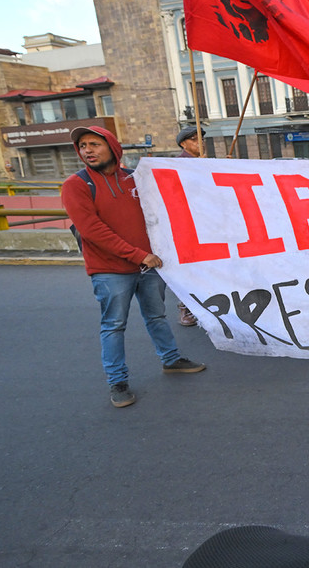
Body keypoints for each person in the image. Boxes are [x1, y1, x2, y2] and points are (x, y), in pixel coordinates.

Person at [61, 126, 205, 408]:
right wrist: (138, 254)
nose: (87, 150)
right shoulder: (76, 185)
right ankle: (117, 381)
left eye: (94, 144)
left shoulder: (134, 179)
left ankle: (171, 359)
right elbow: (92, 230)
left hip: (149, 265)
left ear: (112, 147)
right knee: (114, 326)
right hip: (110, 270)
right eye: (82, 146)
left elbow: (166, 209)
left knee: (157, 316)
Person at [172, 126, 206, 326]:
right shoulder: (176, 164)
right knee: (188, 269)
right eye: (194, 139)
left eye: (201, 139)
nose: (199, 143)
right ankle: (185, 308)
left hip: (207, 224)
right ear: (183, 143)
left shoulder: (205, 162)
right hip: (185, 227)